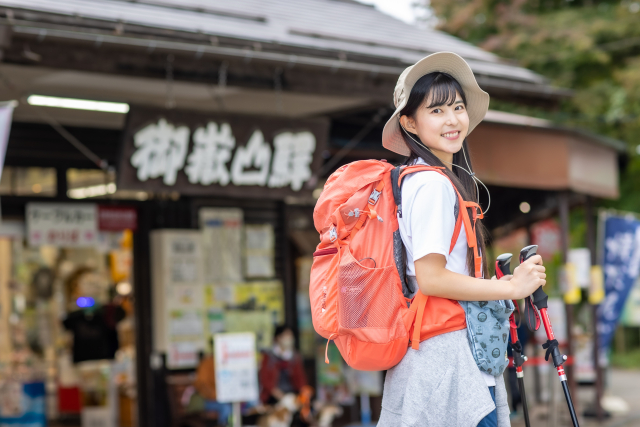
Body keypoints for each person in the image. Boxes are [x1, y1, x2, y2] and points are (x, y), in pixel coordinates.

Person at [377, 52, 546, 427]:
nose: (452, 120)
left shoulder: (419, 179)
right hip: (448, 362)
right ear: (410, 123)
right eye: (436, 111)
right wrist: (512, 288)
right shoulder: (433, 185)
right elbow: (432, 278)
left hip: (437, 355)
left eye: (456, 107)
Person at [259, 325, 308, 405]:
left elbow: (300, 379)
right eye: (287, 336)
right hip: (273, 397)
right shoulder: (268, 356)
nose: (290, 339)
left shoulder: (295, 357)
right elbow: (265, 380)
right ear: (278, 338)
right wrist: (279, 395)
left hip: (292, 395)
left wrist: (303, 393)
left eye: (291, 336)